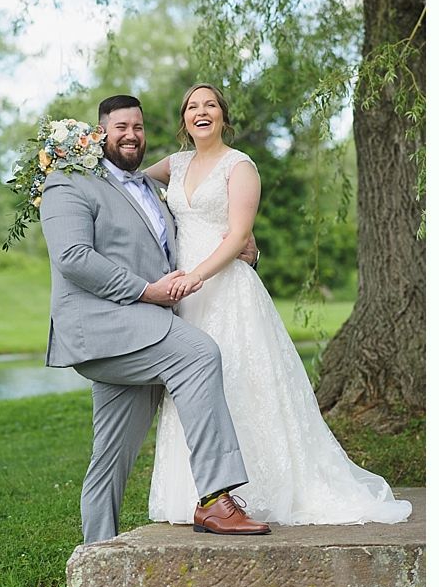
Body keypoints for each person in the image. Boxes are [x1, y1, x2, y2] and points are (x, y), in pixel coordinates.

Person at [143, 83, 411, 526]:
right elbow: (128, 182)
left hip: (225, 289)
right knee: (192, 386)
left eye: (210, 105)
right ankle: (197, 492)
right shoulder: (175, 164)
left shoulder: (240, 166)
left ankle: (254, 489)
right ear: (184, 120)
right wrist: (82, 158)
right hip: (187, 298)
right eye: (192, 106)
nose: (201, 111)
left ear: (223, 116)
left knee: (241, 381)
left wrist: (196, 276)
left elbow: (237, 237)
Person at [39, 94, 270, 544]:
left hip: (141, 330)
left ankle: (97, 551)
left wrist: (248, 250)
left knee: (110, 454)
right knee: (198, 355)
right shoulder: (68, 183)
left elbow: (194, 236)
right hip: (105, 326)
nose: (131, 135)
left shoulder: (148, 186)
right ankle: (214, 499)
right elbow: (73, 257)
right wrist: (146, 292)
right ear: (98, 133)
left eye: (139, 127)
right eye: (121, 127)